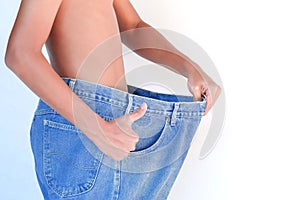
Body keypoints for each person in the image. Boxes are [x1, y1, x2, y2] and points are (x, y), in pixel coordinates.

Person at [5, 0, 221, 199]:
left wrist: (190, 68)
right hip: (86, 124)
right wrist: (98, 129)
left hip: (113, 123)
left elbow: (134, 26)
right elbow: (20, 54)